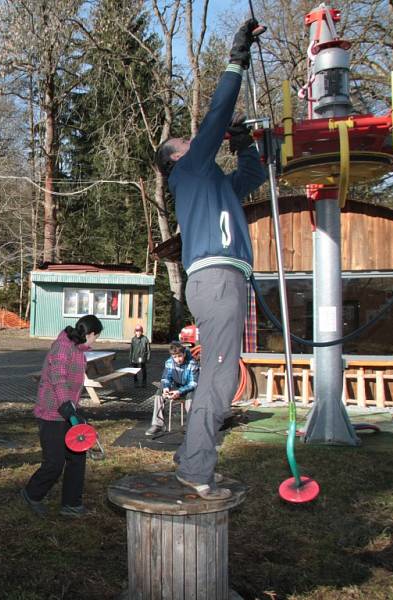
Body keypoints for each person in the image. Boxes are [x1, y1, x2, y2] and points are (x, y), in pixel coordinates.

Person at [154, 18, 266, 500]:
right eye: (184, 142)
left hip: (225, 280)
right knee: (221, 376)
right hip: (217, 279)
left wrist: (244, 146)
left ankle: (190, 459)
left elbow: (253, 175)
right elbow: (218, 112)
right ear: (176, 159)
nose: (190, 140)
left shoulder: (214, 183)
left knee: (221, 372)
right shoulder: (191, 170)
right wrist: (235, 60)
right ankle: (196, 470)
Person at [21, 314, 103, 518]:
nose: (96, 341)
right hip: (50, 412)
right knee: (54, 463)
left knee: (77, 456)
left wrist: (74, 409)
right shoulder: (62, 347)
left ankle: (71, 504)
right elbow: (58, 378)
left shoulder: (78, 351)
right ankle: (32, 494)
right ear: (90, 334)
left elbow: (74, 384)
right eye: (96, 337)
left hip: (67, 411)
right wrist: (67, 406)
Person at [146, 342, 199, 436]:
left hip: (189, 389)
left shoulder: (192, 363)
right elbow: (166, 378)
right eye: (175, 357)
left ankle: (191, 425)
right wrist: (166, 387)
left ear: (184, 354)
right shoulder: (169, 362)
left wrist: (180, 391)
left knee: (191, 396)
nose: (177, 359)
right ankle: (157, 424)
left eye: (180, 356)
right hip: (176, 387)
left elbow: (193, 383)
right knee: (159, 392)